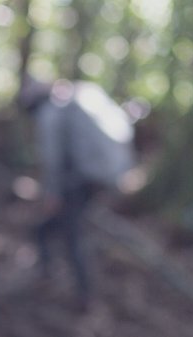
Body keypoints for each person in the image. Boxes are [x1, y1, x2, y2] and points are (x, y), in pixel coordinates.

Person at [19, 76, 134, 309]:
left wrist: (52, 194)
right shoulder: (69, 107)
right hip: (93, 180)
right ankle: (50, 277)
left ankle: (84, 296)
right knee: (52, 231)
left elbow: (53, 159)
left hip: (76, 183)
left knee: (71, 237)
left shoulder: (51, 113)